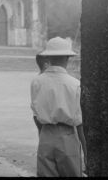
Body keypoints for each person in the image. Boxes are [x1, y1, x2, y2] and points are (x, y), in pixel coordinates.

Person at [30, 37, 87, 177]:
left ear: (48, 57)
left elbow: (36, 115)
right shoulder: (75, 85)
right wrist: (86, 151)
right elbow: (79, 123)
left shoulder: (37, 82)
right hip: (67, 135)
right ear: (68, 58)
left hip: (45, 135)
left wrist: (43, 135)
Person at [33, 52, 50, 134]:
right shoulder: (44, 80)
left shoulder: (36, 80)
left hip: (37, 116)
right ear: (46, 65)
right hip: (44, 116)